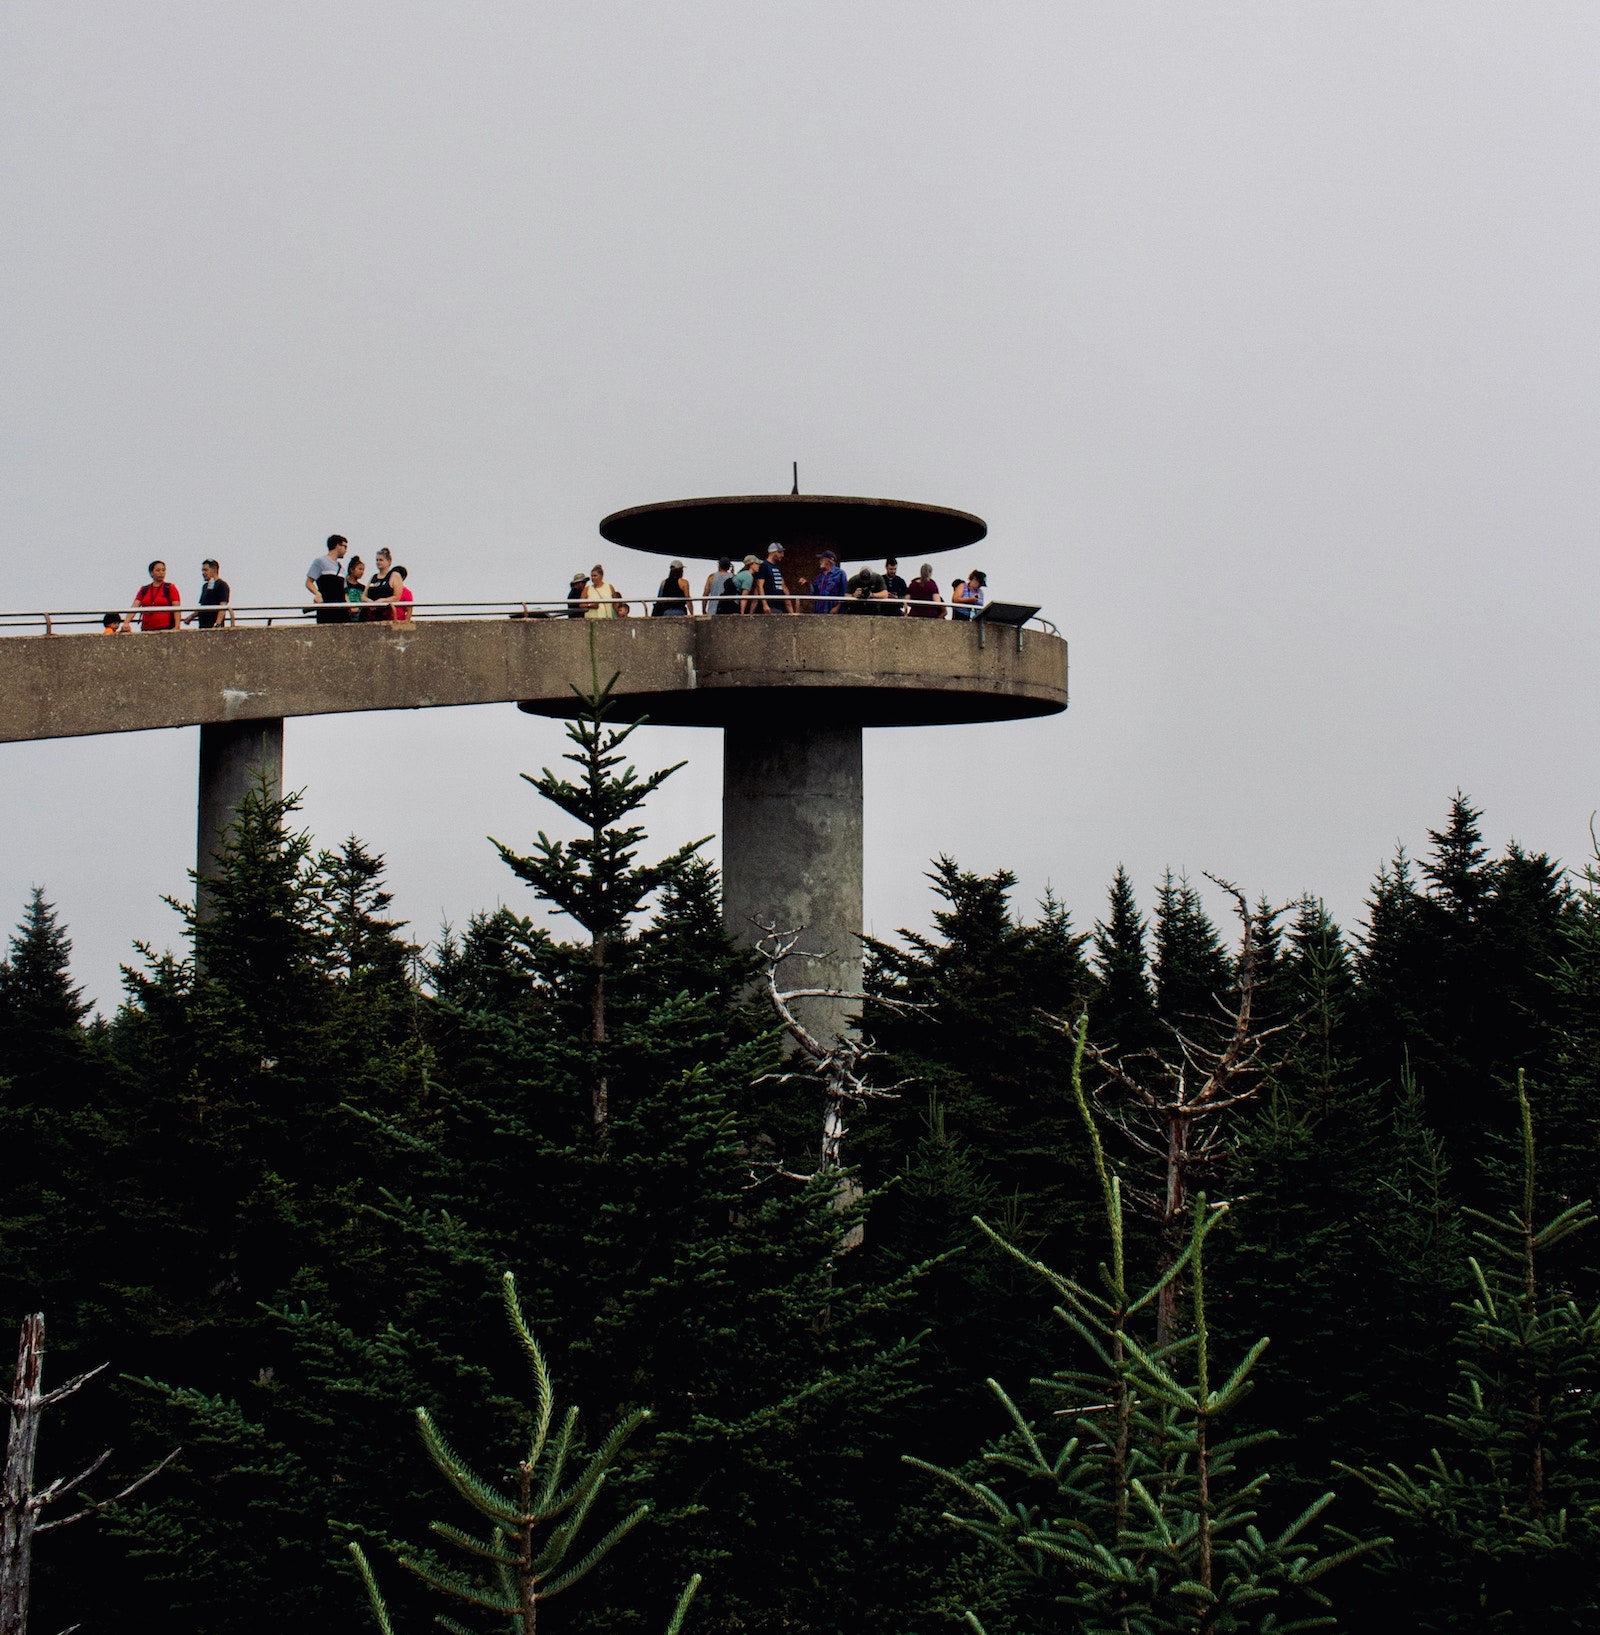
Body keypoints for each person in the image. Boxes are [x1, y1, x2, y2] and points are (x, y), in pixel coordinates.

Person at [305, 535, 350, 623]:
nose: (346, 550)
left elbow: (343, 591)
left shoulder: (341, 569)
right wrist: (317, 594)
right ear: (338, 546)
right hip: (326, 607)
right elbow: (309, 582)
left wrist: (349, 605)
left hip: (341, 609)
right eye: (345, 547)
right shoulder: (320, 561)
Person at [133, 560, 181, 631]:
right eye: (158, 570)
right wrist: (126, 623)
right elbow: (134, 608)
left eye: (163, 570)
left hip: (166, 627)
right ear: (151, 573)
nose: (161, 573)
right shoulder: (144, 589)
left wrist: (177, 626)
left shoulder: (170, 587)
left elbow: (177, 609)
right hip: (146, 628)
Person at [185, 558, 231, 629]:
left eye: (206, 570)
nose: (203, 573)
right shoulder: (205, 586)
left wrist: (217, 624)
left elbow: (222, 607)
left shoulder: (222, 585)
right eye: (202, 570)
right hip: (203, 626)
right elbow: (203, 607)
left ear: (214, 570)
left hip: (213, 626)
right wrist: (191, 617)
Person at [750, 543, 791, 614]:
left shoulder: (776, 567)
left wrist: (790, 609)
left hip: (778, 606)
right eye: (780, 552)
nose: (782, 555)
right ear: (773, 552)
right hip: (769, 606)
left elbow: (783, 587)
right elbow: (759, 586)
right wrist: (765, 605)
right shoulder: (764, 565)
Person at [810, 550, 847, 615]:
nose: (820, 561)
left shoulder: (840, 573)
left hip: (833, 611)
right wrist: (807, 584)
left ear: (828, 561)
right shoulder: (820, 576)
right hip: (819, 612)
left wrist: (837, 608)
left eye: (821, 559)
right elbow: (814, 591)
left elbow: (844, 593)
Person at [365, 548, 399, 620]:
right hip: (370, 614)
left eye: (381, 560)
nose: (378, 562)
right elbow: (363, 596)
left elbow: (396, 597)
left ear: (389, 561)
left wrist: (382, 600)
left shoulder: (394, 576)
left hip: (386, 614)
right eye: (377, 560)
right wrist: (370, 602)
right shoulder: (373, 577)